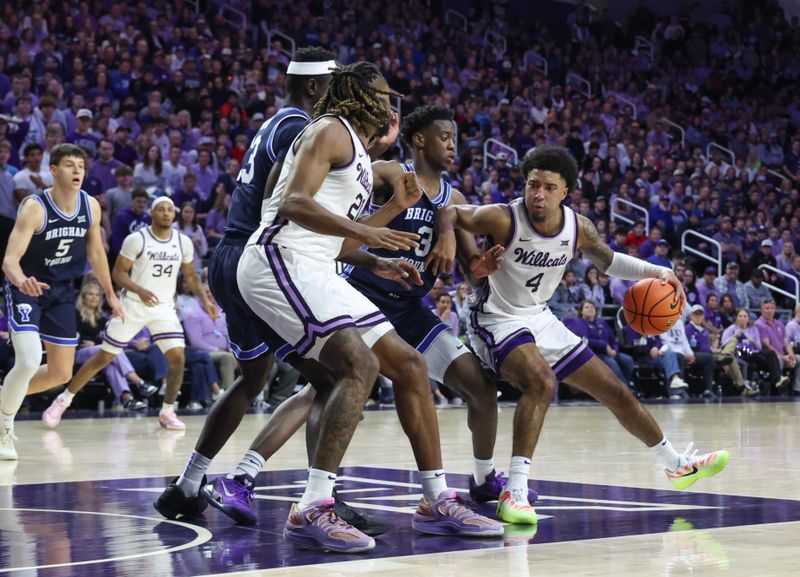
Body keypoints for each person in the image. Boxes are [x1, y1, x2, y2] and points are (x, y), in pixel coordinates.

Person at [153, 51, 444, 541]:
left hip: (256, 254)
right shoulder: (309, 129)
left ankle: (196, 482)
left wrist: (374, 244)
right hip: (268, 255)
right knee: (338, 375)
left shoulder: (283, 123)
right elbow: (284, 201)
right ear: (318, 90)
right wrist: (372, 203)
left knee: (267, 380)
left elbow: (328, 227)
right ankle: (301, 495)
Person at [236, 62, 501, 551]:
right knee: (359, 365)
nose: (390, 102)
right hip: (278, 260)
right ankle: (312, 507)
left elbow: (332, 240)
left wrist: (380, 247)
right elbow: (293, 205)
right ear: (359, 94)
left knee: (410, 364)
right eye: (383, 94)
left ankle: (436, 500)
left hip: (314, 263)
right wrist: (369, 231)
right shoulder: (331, 130)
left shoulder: (356, 154)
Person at [428, 145, 729, 524]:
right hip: (495, 317)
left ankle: (676, 464)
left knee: (615, 390)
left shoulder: (578, 227)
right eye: (532, 184)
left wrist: (657, 272)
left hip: (540, 317)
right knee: (542, 383)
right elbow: (451, 211)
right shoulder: (505, 218)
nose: (538, 194)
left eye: (548, 187)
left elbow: (610, 261)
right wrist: (448, 238)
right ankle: (515, 492)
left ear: (566, 191)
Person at [40, 197, 216, 430]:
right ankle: (63, 400)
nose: (165, 213)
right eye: (160, 210)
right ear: (152, 214)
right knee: (105, 357)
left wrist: (205, 301)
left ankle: (167, 411)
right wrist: (140, 290)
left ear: (174, 216)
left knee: (178, 359)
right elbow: (118, 273)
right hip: (133, 305)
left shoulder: (183, 242)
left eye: (169, 211)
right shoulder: (137, 239)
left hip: (163, 308)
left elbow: (191, 276)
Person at [0, 144, 123, 460]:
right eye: (69, 165)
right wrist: (21, 281)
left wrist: (110, 293)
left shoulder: (91, 206)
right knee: (28, 359)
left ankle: (4, 398)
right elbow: (10, 261)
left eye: (81, 165)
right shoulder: (34, 207)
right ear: (53, 170)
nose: (77, 170)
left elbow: (96, 253)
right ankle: (3, 427)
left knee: (60, 373)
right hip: (27, 287)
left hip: (63, 290)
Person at [754, 299, 796, 393]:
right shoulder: (759, 324)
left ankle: (797, 389)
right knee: (778, 359)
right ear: (762, 310)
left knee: (798, 359)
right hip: (768, 356)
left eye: (772, 308)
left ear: (775, 309)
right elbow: (767, 345)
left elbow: (786, 342)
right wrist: (783, 357)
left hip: (783, 355)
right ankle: (778, 389)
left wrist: (791, 355)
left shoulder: (779, 324)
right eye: (767, 308)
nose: (769, 310)